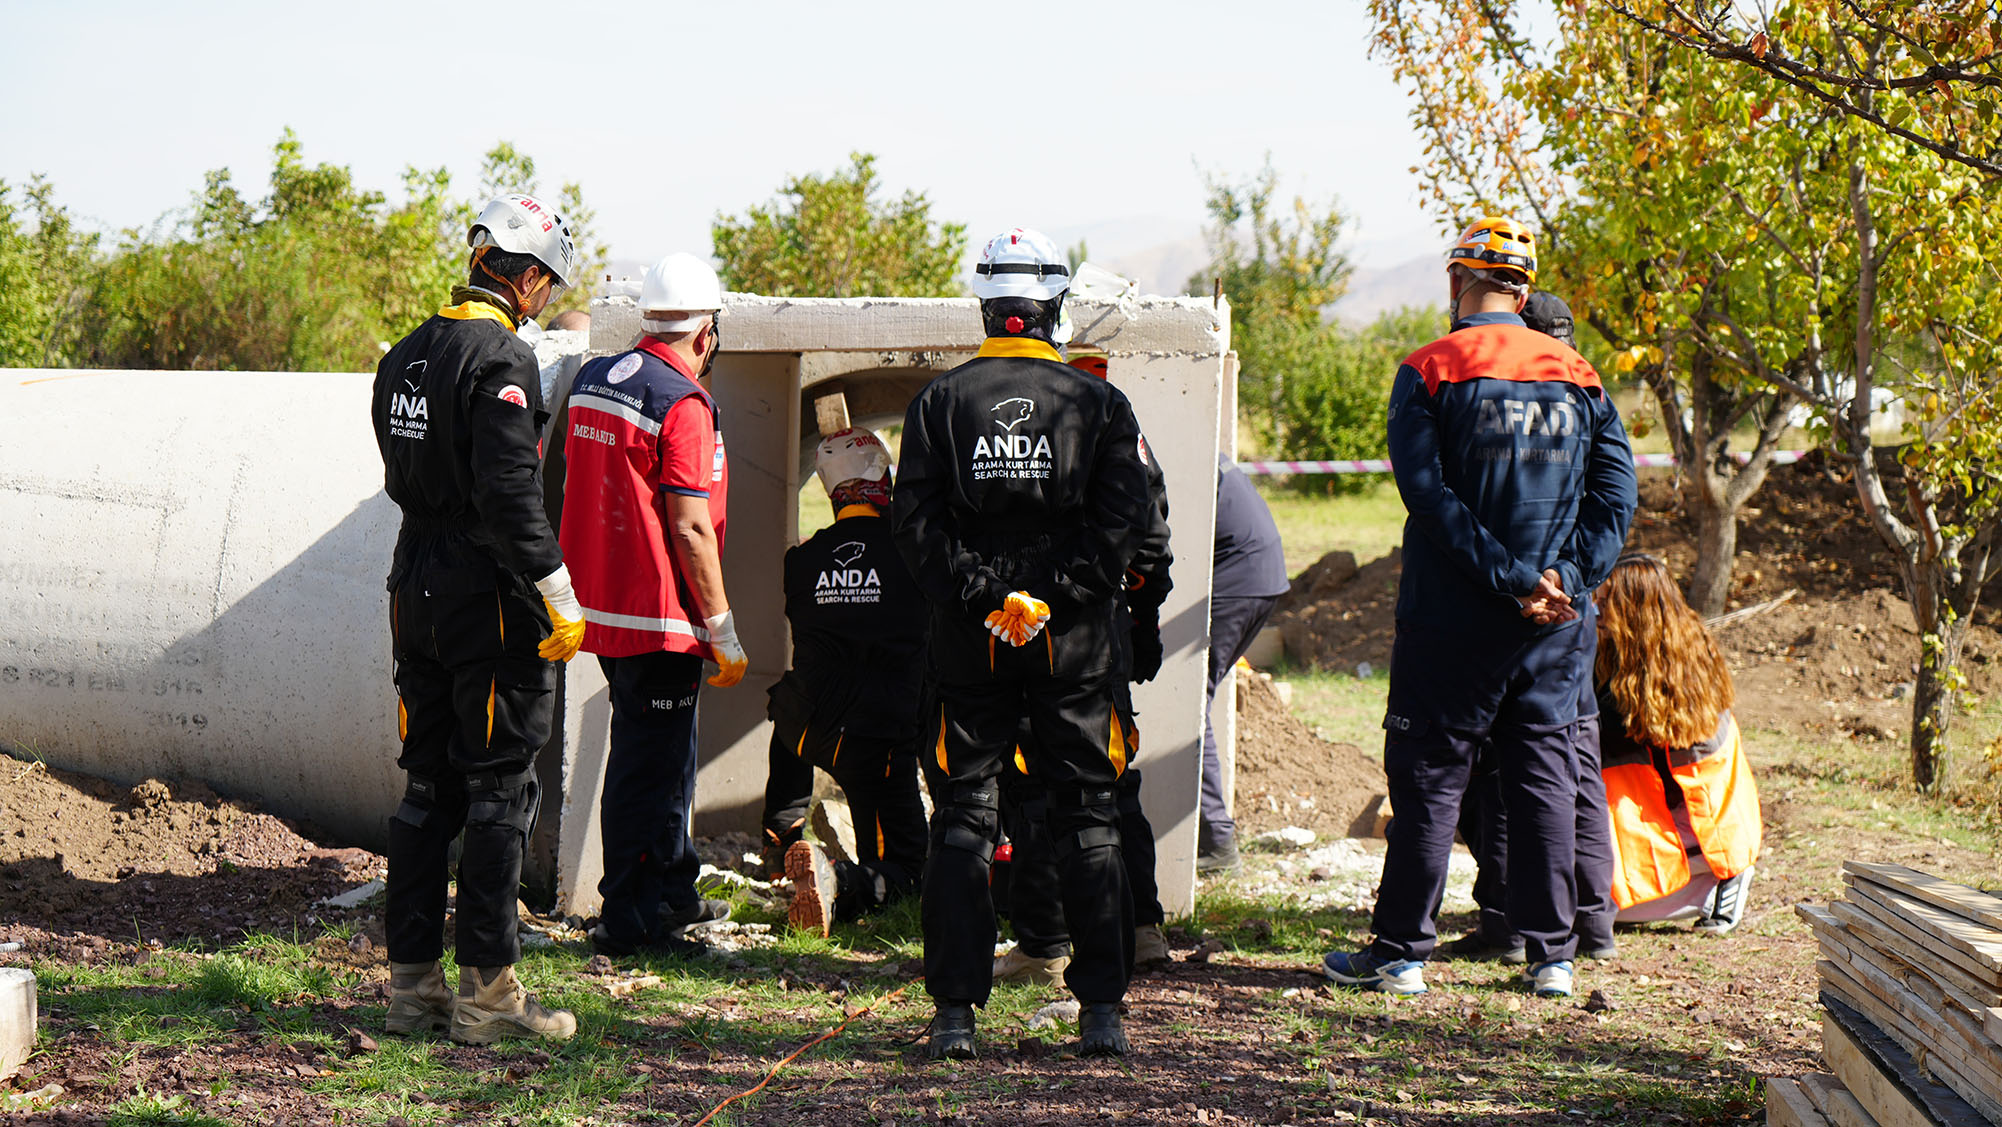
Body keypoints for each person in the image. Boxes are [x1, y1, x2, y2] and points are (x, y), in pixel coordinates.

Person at [1322, 216, 1637, 1000]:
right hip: (1556, 630)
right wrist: (1565, 577)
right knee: (1542, 780)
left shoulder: (1428, 369)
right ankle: (1552, 958)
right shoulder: (1581, 374)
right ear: (1525, 289)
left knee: (1430, 782)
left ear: (1456, 282)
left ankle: (1400, 954)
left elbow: (1429, 498)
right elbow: (1617, 494)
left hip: (1451, 623)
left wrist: (1511, 577)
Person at [893, 226, 1155, 1059]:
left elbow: (917, 527)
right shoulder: (1099, 405)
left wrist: (988, 601)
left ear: (986, 305)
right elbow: (1125, 527)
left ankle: (955, 1017)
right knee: (1090, 816)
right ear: (1054, 310)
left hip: (974, 646)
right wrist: (1050, 598)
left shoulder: (939, 402)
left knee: (965, 818)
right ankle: (1102, 1011)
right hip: (1074, 647)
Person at [371, 194, 583, 1044]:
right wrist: (557, 590)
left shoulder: (403, 356)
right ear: (527, 277)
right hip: (483, 594)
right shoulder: (500, 357)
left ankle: (412, 991)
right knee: (499, 791)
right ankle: (490, 1004)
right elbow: (506, 495)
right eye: (545, 282)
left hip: (412, 582)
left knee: (427, 790)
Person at [557, 252, 746, 959]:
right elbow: (691, 524)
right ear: (705, 333)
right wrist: (721, 627)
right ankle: (629, 921)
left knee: (666, 754)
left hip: (603, 608)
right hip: (663, 615)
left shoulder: (594, 379)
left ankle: (673, 889)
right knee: (649, 767)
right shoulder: (684, 402)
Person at [1445, 287, 1618, 965]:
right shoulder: (1584, 395)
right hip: (1573, 609)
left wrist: (1529, 586)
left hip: (1529, 613)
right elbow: (1612, 501)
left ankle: (1511, 922)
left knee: (1510, 775)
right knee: (1574, 764)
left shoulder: (1521, 396)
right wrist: (1571, 582)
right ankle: (1589, 925)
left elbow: (1475, 511)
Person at [994, 351, 1174, 983]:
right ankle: (1141, 929)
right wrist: (1140, 625)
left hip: (1041, 632)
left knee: (1036, 784)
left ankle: (1044, 943)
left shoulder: (1032, 434)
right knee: (1113, 780)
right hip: (1105, 639)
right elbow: (1152, 545)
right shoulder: (1124, 432)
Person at [761, 428, 931, 935]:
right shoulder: (912, 553)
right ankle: (839, 881)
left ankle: (781, 836)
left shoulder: (802, 559)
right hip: (875, 740)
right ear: (885, 481)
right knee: (910, 871)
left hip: (810, 727)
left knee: (789, 700)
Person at [1594, 553, 1761, 932]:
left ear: (1634, 612)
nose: (1597, 611)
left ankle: (1719, 883)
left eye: (1607, 604)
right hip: (1648, 810)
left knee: (1594, 905)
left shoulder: (1677, 676)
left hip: (1692, 823)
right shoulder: (1624, 652)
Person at [1199, 454, 1289, 873]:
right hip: (1255, 571)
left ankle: (1216, 843)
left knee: (1188, 706)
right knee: (1195, 700)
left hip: (1239, 575)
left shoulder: (1157, 435)